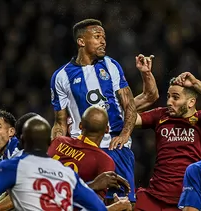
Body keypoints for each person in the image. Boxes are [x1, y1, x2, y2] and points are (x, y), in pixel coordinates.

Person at [50, 18, 158, 203]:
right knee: (80, 201)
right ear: (81, 41)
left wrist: (125, 134)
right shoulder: (61, 76)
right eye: (97, 36)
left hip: (115, 147)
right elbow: (60, 122)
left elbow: (129, 104)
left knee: (123, 203)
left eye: (104, 37)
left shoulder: (111, 65)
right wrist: (56, 149)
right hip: (82, 150)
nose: (103, 41)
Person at [0, 116, 124, 211]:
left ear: (22, 141)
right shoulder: (68, 175)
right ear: (49, 143)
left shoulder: (10, 168)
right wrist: (118, 206)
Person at [134, 72, 201, 211]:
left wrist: (196, 83)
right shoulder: (161, 115)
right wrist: (146, 88)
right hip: (155, 197)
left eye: (175, 97)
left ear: (191, 102)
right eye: (168, 96)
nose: (169, 102)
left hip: (186, 200)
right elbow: (129, 118)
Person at [48, 105, 130, 200]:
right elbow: (94, 206)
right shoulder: (104, 161)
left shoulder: (58, 141)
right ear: (107, 130)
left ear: (80, 125)